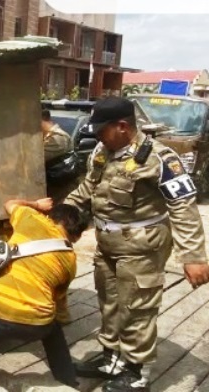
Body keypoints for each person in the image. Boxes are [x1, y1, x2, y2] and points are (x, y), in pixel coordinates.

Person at [64, 97, 209, 392]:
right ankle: (111, 358)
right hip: (107, 246)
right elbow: (89, 187)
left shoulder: (160, 158)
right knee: (110, 303)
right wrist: (64, 210)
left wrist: (193, 256)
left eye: (102, 130)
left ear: (122, 126)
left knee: (137, 308)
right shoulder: (103, 151)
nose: (98, 136)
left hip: (142, 248)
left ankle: (136, 371)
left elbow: (183, 207)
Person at [0, 198, 88, 392]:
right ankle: (68, 380)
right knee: (54, 330)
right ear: (74, 234)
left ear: (53, 218)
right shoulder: (70, 262)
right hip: (37, 323)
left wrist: (37, 205)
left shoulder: (30, 218)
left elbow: (8, 203)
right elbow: (60, 305)